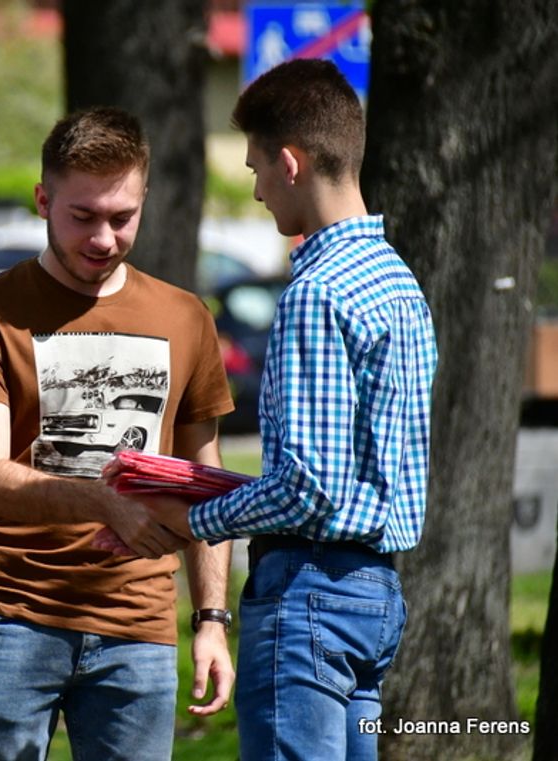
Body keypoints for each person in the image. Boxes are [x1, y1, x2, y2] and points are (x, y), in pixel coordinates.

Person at [143, 60, 439, 761]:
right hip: (376, 594)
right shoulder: (397, 281)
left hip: (309, 595)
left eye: (256, 169)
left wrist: (188, 519)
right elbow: (349, 480)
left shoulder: (317, 291)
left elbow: (308, 488)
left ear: (290, 161)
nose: (255, 190)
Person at [0, 106, 237, 761]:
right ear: (44, 199)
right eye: (83, 216)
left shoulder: (185, 317)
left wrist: (211, 618)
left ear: (145, 199)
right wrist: (103, 501)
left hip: (139, 629)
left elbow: (202, 483)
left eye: (122, 217)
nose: (103, 237)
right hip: (11, 615)